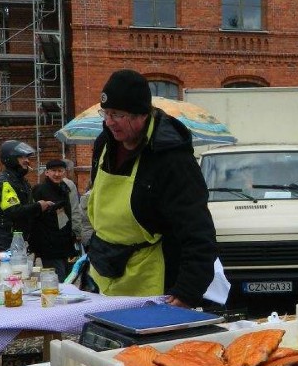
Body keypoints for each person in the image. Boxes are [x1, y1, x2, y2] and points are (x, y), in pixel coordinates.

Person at [87, 69, 217, 306]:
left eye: (117, 114)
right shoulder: (104, 144)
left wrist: (187, 292)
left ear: (141, 115)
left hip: (154, 278)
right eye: (105, 113)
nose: (108, 122)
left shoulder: (171, 158)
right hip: (104, 270)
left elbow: (198, 232)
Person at [0, 140, 55, 251]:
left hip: (19, 240)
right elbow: (14, 211)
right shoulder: (4, 183)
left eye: (27, 157)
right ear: (11, 159)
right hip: (6, 242)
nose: (27, 161)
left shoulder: (20, 181)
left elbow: (26, 207)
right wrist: (38, 206)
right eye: (22, 157)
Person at [31, 159, 78, 281]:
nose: (57, 174)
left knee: (70, 279)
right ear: (46, 172)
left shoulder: (65, 188)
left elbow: (70, 213)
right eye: (53, 171)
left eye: (60, 171)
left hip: (66, 243)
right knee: (57, 281)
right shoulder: (40, 189)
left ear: (64, 172)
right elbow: (34, 217)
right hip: (49, 245)